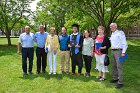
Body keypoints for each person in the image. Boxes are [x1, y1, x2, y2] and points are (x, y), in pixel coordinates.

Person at [110, 23, 128, 89]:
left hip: (119, 52)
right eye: (110, 27)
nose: (111, 28)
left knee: (119, 66)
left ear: (116, 26)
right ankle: (115, 78)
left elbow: (124, 43)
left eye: (112, 26)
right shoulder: (112, 34)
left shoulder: (120, 33)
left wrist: (123, 52)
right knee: (114, 65)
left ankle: (120, 82)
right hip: (113, 51)